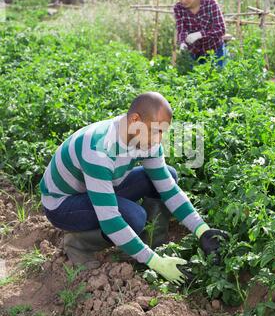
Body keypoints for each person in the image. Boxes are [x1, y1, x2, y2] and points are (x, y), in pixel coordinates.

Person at [40, 92, 227, 284]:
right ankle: (79, 244)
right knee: (134, 217)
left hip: (98, 188)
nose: (159, 139)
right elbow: (111, 221)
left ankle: (152, 244)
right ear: (135, 120)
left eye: (163, 132)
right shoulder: (98, 149)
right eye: (156, 131)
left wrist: (203, 230)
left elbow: (168, 189)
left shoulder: (145, 138)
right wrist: (156, 264)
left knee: (168, 174)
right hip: (63, 204)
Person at [174, 0, 227, 68]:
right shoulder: (178, 8)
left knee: (216, 78)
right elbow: (181, 29)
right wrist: (182, 42)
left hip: (214, 50)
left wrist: (200, 34)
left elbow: (221, 29)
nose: (183, 1)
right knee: (192, 79)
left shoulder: (210, 3)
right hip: (193, 52)